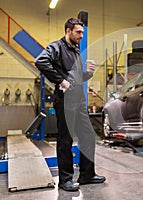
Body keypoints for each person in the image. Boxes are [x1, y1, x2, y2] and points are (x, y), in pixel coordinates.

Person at [35, 18, 105, 191]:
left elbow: (76, 77)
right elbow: (40, 61)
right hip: (65, 100)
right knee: (65, 140)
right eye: (78, 32)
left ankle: (87, 174)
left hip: (78, 100)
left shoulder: (74, 50)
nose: (81, 35)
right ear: (68, 31)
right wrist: (61, 81)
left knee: (88, 135)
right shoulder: (56, 47)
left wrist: (87, 74)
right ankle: (65, 180)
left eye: (82, 32)